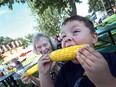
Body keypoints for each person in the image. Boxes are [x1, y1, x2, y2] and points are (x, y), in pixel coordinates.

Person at [39, 15, 116, 87]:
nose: (66, 39)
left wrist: (106, 81)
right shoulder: (65, 71)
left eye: (75, 32)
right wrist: (44, 75)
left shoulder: (112, 60)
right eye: (63, 36)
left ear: (94, 37)